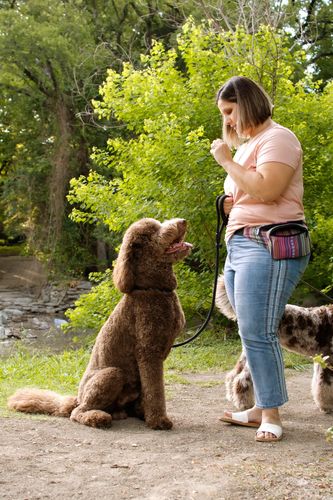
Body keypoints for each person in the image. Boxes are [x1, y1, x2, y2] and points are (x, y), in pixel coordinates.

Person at [210, 76, 310, 442]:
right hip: (241, 244)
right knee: (249, 330)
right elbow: (248, 193)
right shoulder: (249, 146)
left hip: (268, 244)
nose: (229, 122)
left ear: (248, 104)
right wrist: (228, 203)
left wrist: (224, 160)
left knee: (258, 331)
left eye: (230, 112)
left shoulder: (279, 139)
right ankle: (258, 408)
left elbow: (267, 190)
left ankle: (271, 415)